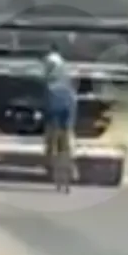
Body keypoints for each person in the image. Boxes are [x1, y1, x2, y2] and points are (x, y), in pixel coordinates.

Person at [42, 46, 78, 192]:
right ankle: (71, 165)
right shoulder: (65, 70)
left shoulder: (48, 66)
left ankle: (51, 162)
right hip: (67, 105)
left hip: (55, 106)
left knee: (51, 138)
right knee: (68, 136)